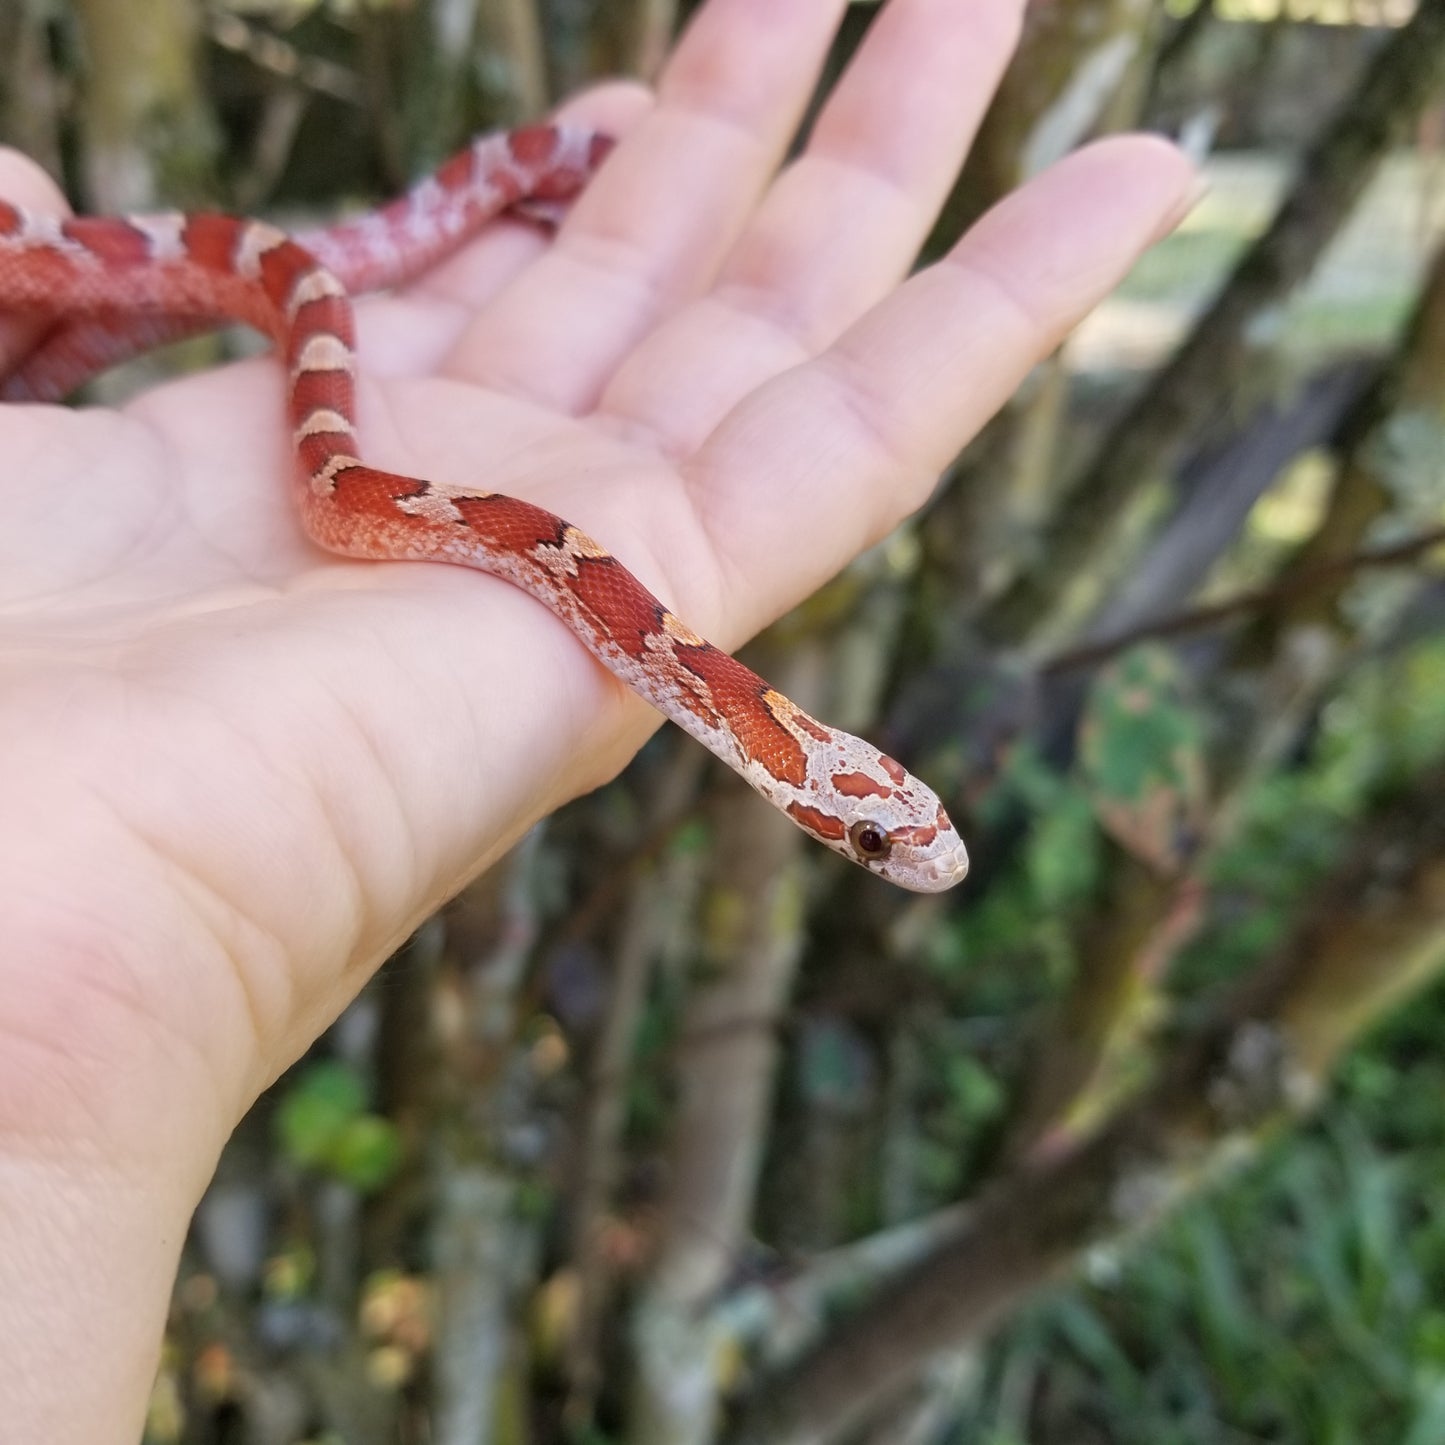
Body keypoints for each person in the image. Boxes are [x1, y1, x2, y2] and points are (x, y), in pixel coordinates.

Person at [0, 0, 1196, 1437]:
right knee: (282, 306)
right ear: (822, 788)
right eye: (884, 833)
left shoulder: (695, 682)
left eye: (888, 830)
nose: (899, 846)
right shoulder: (685, 674)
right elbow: (337, 491)